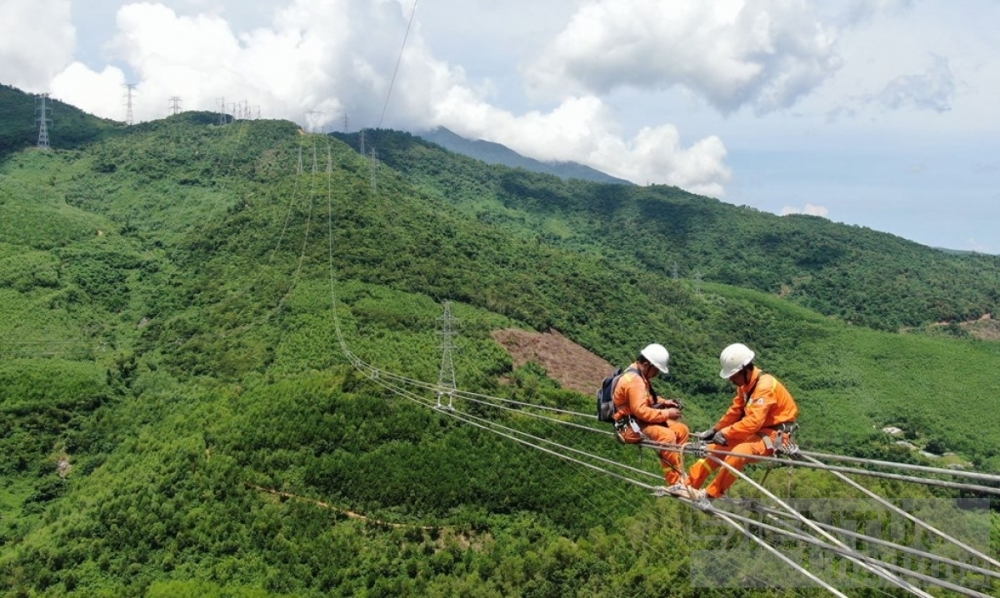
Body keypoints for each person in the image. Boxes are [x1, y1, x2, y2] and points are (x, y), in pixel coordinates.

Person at [669, 343, 798, 501]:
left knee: (738, 453)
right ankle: (689, 485)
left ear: (744, 369)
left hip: (774, 436)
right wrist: (716, 430)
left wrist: (725, 432)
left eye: (733, 375)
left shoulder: (765, 386)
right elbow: (736, 411)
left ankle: (710, 494)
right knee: (715, 448)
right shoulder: (746, 385)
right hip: (755, 432)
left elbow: (753, 421)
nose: (730, 379)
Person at [612, 343, 690, 487]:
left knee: (682, 430)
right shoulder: (635, 381)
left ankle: (678, 469)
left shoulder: (638, 373)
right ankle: (675, 481)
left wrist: (665, 402)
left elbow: (646, 399)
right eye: (657, 370)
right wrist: (667, 413)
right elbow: (642, 411)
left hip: (638, 421)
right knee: (667, 437)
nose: (657, 374)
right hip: (630, 427)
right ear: (647, 365)